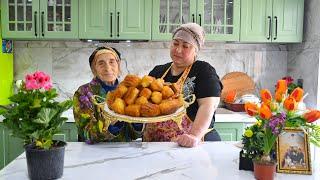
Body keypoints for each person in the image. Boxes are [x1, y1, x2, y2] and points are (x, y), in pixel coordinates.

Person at [143, 23, 223, 147]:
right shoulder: (158, 71)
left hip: (186, 145)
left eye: (185, 46)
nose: (178, 50)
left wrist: (194, 135)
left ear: (195, 50)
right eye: (175, 44)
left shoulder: (203, 71)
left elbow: (208, 106)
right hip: (154, 144)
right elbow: (143, 102)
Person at [73, 46, 142, 144]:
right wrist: (111, 125)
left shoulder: (128, 91)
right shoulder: (83, 93)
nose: (108, 68)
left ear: (118, 66)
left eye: (112, 62)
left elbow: (135, 135)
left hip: (125, 152)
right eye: (101, 63)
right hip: (96, 153)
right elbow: (85, 133)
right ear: (94, 69)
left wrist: (138, 123)